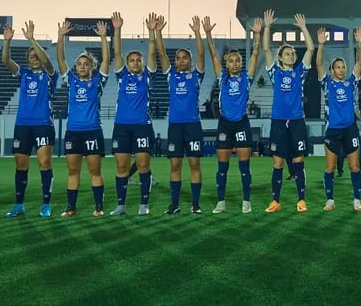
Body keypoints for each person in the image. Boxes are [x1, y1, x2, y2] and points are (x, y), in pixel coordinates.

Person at [203, 15, 262, 214]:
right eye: (231, 61)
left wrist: (257, 35)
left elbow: (255, 54)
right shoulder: (222, 78)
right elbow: (212, 55)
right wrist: (208, 34)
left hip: (242, 123)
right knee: (222, 167)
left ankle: (246, 201)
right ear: (226, 64)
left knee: (244, 167)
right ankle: (221, 202)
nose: (235, 63)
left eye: (238, 61)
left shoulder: (246, 78)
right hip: (225, 125)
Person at [2, 20, 58, 218]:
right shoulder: (24, 73)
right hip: (22, 125)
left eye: (37, 56)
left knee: (44, 164)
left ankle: (46, 204)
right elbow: (6, 61)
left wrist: (32, 40)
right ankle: (19, 204)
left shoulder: (50, 75)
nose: (34, 59)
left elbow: (48, 62)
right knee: (20, 165)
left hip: (43, 125)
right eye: (31, 57)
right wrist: (7, 41)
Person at [55, 18, 110, 217]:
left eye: (86, 64)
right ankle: (71, 207)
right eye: (79, 64)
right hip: (73, 132)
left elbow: (105, 61)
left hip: (93, 131)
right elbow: (60, 61)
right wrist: (61, 37)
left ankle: (99, 206)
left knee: (94, 171)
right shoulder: (70, 80)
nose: (82, 66)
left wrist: (103, 37)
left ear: (91, 67)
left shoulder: (98, 82)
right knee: (73, 171)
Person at [261, 9, 314, 213]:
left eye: (293, 53)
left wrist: (303, 28)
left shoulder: (300, 73)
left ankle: (301, 200)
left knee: (298, 161)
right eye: (287, 53)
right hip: (278, 122)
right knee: (278, 162)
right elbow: (266, 50)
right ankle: (275, 201)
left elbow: (310, 48)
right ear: (281, 58)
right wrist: (267, 27)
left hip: (297, 121)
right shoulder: (274, 72)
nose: (292, 55)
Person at [109, 12, 160, 216]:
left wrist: (150, 33)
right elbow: (117, 52)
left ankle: (143, 205)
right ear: (127, 64)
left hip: (142, 126)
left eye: (139, 60)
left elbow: (152, 54)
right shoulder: (122, 75)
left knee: (142, 165)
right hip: (121, 127)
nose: (136, 63)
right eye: (132, 61)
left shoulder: (147, 76)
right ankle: (121, 206)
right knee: (121, 167)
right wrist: (118, 29)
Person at [157, 16, 206, 214]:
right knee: (175, 164)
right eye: (178, 58)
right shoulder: (171, 76)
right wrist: (158, 32)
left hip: (193, 125)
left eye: (185, 57)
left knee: (194, 163)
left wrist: (197, 32)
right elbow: (161, 53)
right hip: (175, 125)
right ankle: (174, 204)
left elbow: (202, 54)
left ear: (190, 61)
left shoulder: (196, 75)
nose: (181, 60)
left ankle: (195, 204)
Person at [316, 26, 361, 211]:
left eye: (343, 67)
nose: (342, 69)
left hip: (350, 128)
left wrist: (359, 44)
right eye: (338, 67)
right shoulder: (327, 83)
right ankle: (330, 199)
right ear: (332, 70)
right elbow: (318, 65)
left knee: (354, 167)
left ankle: (357, 200)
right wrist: (321, 45)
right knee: (330, 168)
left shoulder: (350, 82)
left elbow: (359, 63)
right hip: (333, 129)